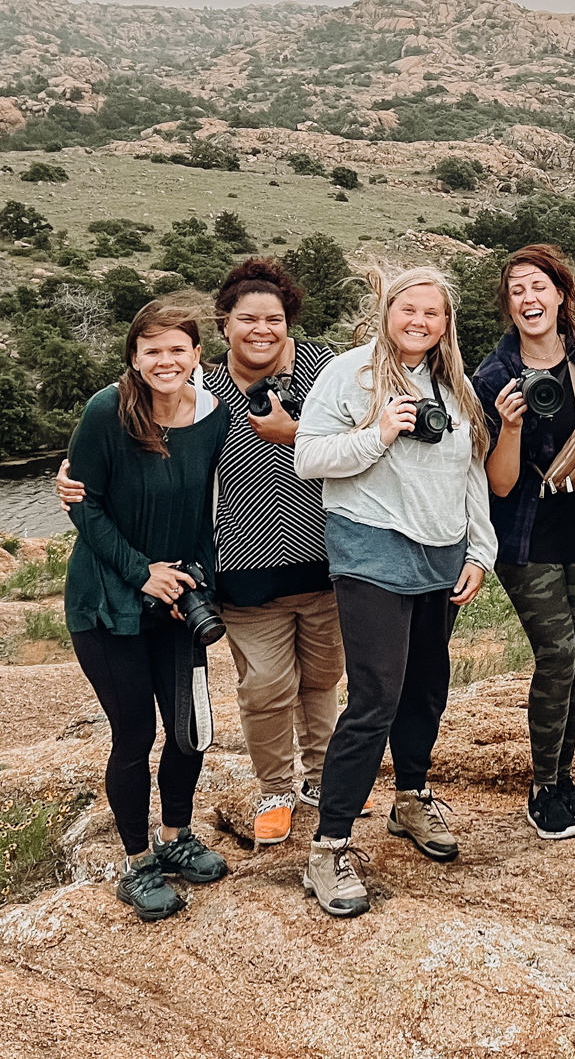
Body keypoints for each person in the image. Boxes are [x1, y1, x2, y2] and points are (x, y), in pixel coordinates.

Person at [57, 259, 363, 847]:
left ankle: (323, 781)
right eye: (247, 319)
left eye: (273, 318)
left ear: (288, 323)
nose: (261, 329)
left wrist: (293, 434)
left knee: (323, 679)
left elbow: (368, 439)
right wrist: (74, 481)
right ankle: (275, 787)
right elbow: (128, 458)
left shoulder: (326, 373)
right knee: (267, 686)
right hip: (242, 567)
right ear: (223, 328)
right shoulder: (207, 389)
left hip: (325, 559)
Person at [293, 264, 496, 917]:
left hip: (441, 557)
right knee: (376, 696)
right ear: (386, 311)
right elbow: (309, 458)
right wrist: (378, 433)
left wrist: (480, 552)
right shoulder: (349, 373)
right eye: (409, 308)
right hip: (371, 551)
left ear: (446, 323)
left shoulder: (455, 384)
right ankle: (328, 848)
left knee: (426, 688)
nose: (419, 321)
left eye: (433, 313)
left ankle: (411, 799)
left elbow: (470, 475)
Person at [63, 301, 231, 922]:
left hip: (177, 599)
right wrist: (143, 572)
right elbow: (85, 505)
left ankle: (177, 836)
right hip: (110, 601)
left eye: (177, 349)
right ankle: (137, 862)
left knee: (189, 731)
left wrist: (195, 579)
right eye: (152, 350)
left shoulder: (212, 415)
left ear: (196, 356)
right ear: (134, 357)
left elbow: (212, 501)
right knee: (135, 734)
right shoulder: (107, 413)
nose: (166, 361)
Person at [473, 244, 575, 841]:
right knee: (558, 654)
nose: (528, 298)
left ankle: (564, 778)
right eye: (516, 290)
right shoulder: (493, 376)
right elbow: (500, 482)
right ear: (509, 306)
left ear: (561, 294)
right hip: (528, 535)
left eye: (538, 286)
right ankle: (542, 788)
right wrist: (509, 425)